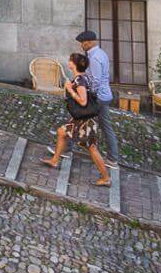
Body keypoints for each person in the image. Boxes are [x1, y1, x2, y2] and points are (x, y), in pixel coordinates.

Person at [42, 51, 110, 186]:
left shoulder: (80, 80)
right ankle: (55, 160)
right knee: (62, 132)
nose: (69, 62)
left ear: (74, 65)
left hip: (86, 122)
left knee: (92, 148)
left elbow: (83, 101)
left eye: (70, 60)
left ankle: (106, 178)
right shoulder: (81, 78)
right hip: (79, 120)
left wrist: (70, 89)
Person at [75, 29, 119, 166]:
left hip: (97, 97)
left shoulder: (94, 58)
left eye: (82, 43)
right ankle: (113, 158)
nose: (81, 45)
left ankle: (65, 149)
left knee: (75, 119)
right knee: (105, 126)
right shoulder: (101, 53)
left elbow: (96, 81)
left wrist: (88, 95)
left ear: (88, 43)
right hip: (104, 96)